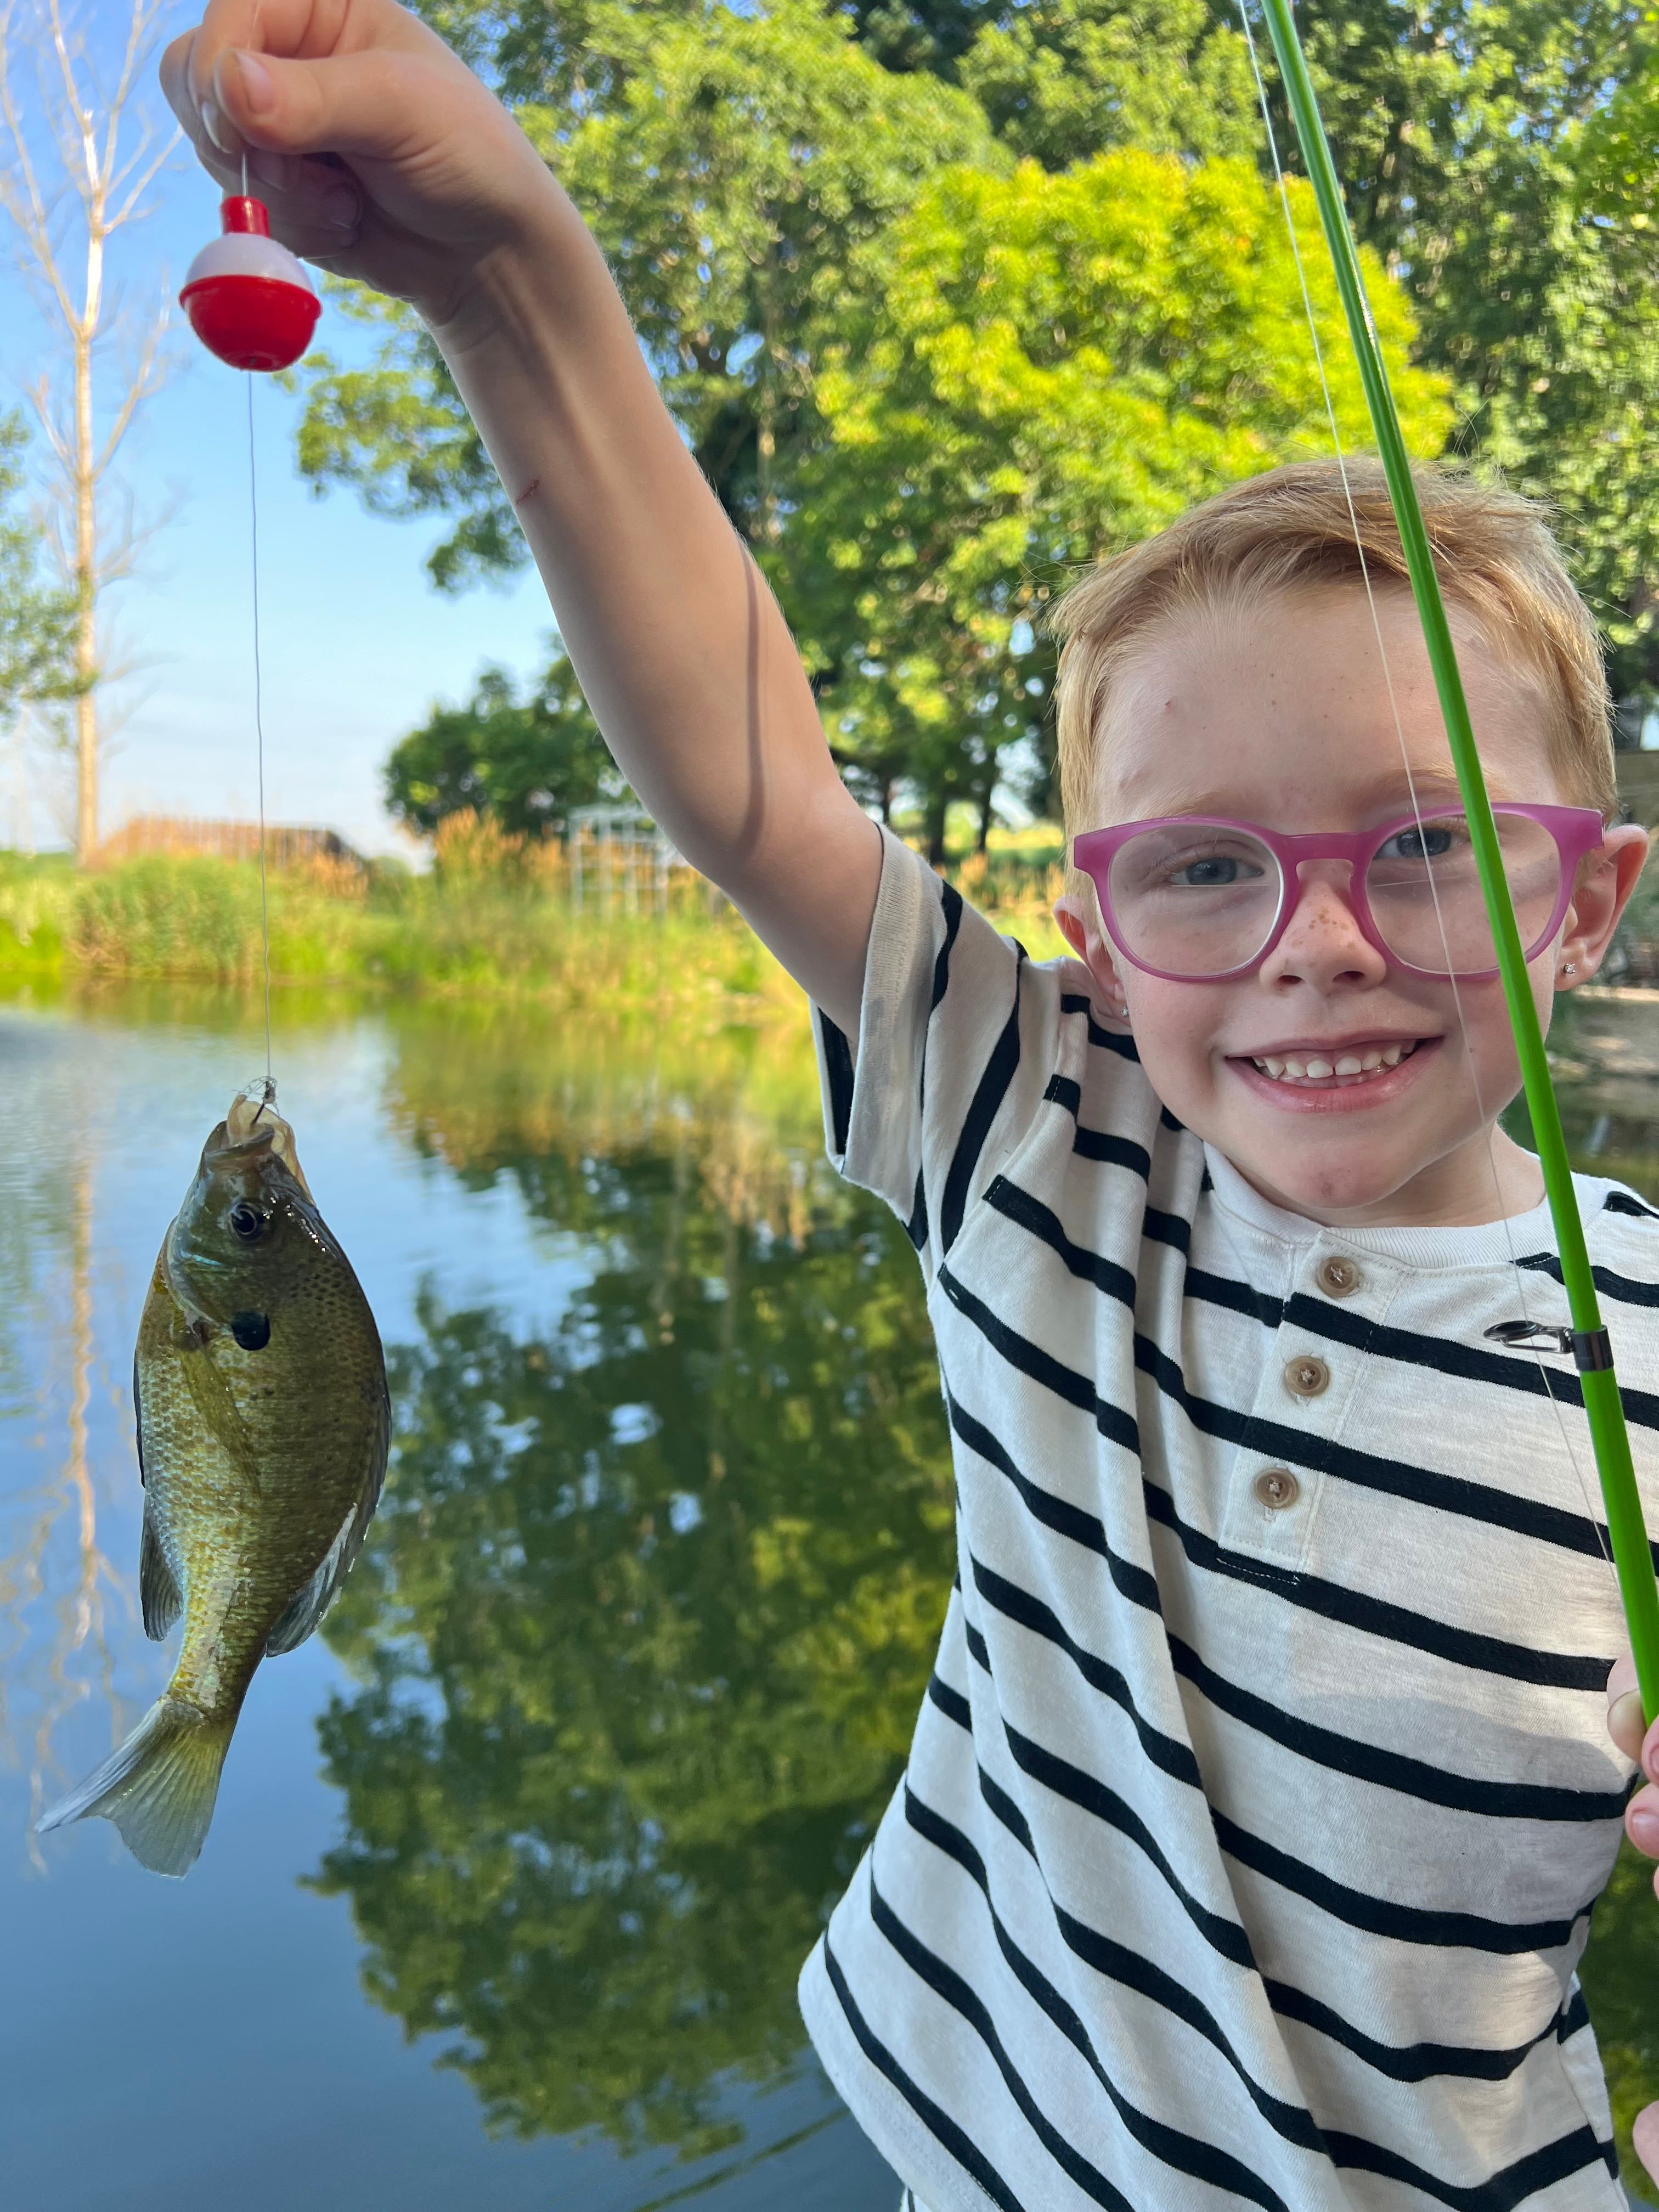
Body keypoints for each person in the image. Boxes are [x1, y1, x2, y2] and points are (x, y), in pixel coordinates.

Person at [162, 8, 1659, 2205]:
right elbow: (746, 767)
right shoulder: (1044, 1126)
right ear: (1092, 926)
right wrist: (502, 276)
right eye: (1207, 868)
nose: (1314, 941)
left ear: (1590, 904)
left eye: (1427, 845)